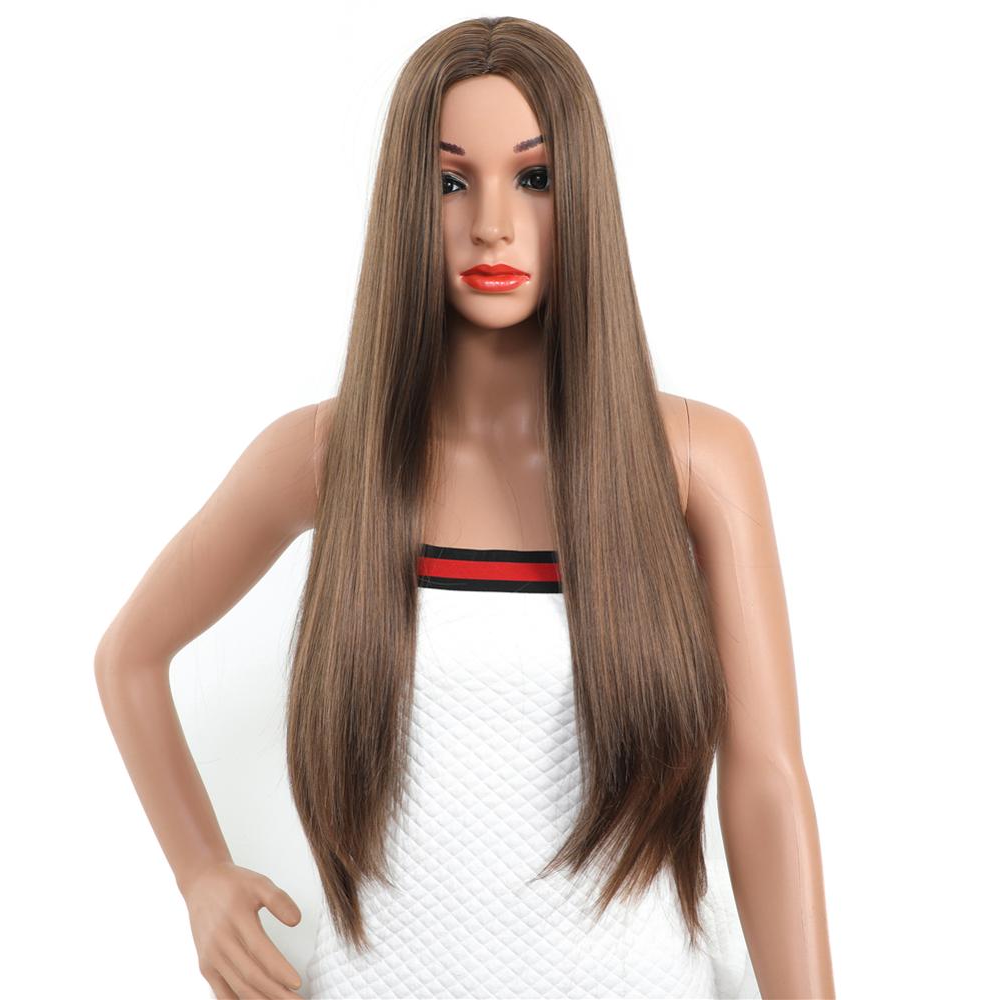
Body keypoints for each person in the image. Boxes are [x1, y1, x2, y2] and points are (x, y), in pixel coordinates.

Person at [95, 16, 835, 1000]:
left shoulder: (695, 460)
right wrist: (199, 875)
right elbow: (129, 656)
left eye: (534, 176)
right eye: (450, 183)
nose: (492, 222)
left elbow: (768, 783)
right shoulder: (324, 458)